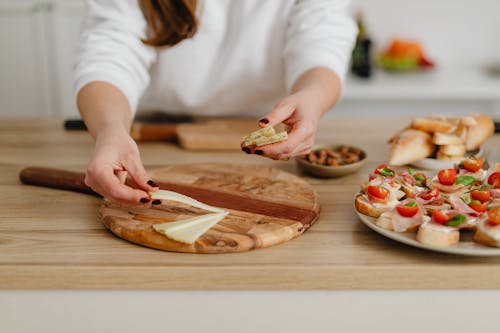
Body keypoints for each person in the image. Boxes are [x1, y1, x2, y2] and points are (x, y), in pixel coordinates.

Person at [74, 0, 357, 206]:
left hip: (269, 135)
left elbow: (323, 42)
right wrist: (111, 129)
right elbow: (108, 53)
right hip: (144, 140)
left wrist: (312, 97)